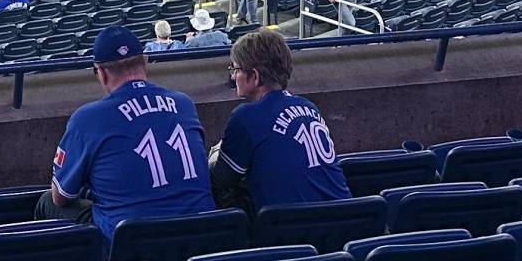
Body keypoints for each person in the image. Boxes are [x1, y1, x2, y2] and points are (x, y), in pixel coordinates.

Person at [39, 25, 213, 237]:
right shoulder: (184, 104)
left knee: (47, 202)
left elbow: (61, 196)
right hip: (203, 233)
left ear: (101, 73)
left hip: (132, 243)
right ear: (145, 63)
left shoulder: (88, 118)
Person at [211, 26, 351, 211]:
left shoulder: (245, 116)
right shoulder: (308, 107)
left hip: (291, 229)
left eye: (236, 69)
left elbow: (220, 179)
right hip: (347, 219)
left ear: (255, 76)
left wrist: (214, 154)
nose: (233, 76)